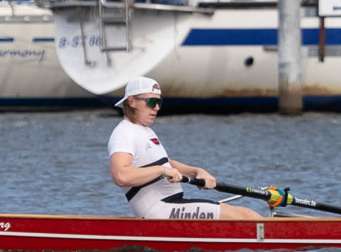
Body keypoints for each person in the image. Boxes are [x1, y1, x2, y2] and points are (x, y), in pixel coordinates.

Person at [107, 76, 267, 221]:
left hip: (174, 205)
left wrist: (196, 171)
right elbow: (121, 175)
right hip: (160, 211)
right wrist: (161, 171)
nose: (156, 108)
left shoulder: (145, 131)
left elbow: (166, 164)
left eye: (159, 102)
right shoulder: (124, 133)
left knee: (244, 217)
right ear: (131, 102)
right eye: (151, 102)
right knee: (247, 216)